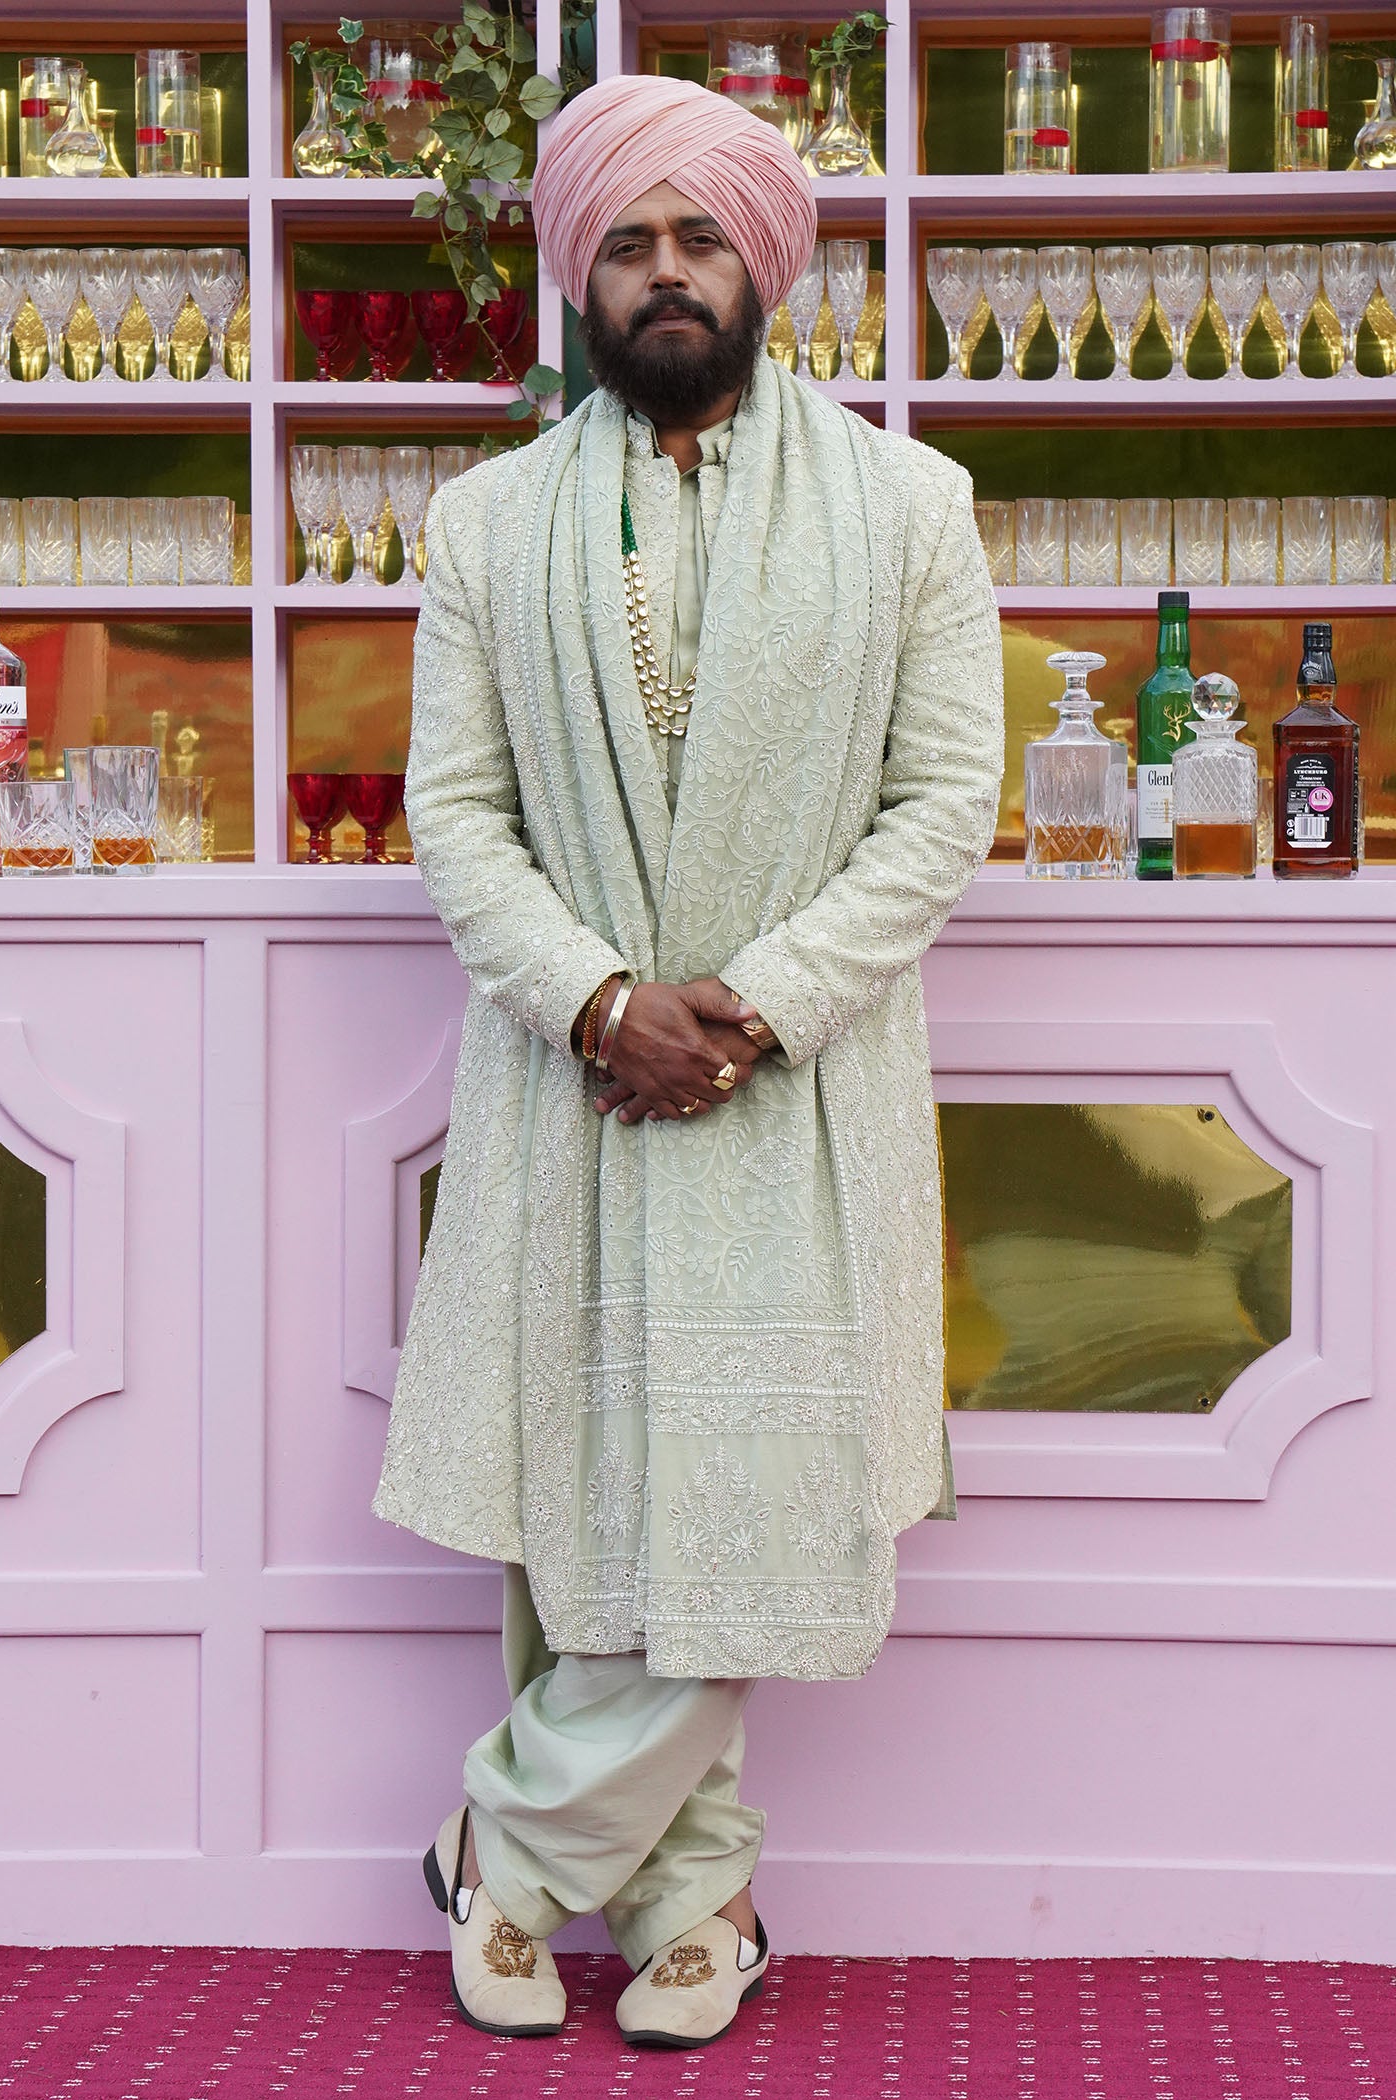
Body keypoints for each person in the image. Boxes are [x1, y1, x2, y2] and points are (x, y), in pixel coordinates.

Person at [372, 69, 1005, 2050]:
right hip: (571, 1084)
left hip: (792, 1094)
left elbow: (944, 802)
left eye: (696, 237)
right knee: (592, 1487)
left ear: (762, 262)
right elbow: (456, 816)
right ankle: (697, 1909)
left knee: (735, 1489)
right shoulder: (482, 526)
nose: (665, 273)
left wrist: (757, 1001)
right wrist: (595, 1002)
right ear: (580, 271)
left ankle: (508, 1848)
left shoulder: (912, 506)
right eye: (627, 240)